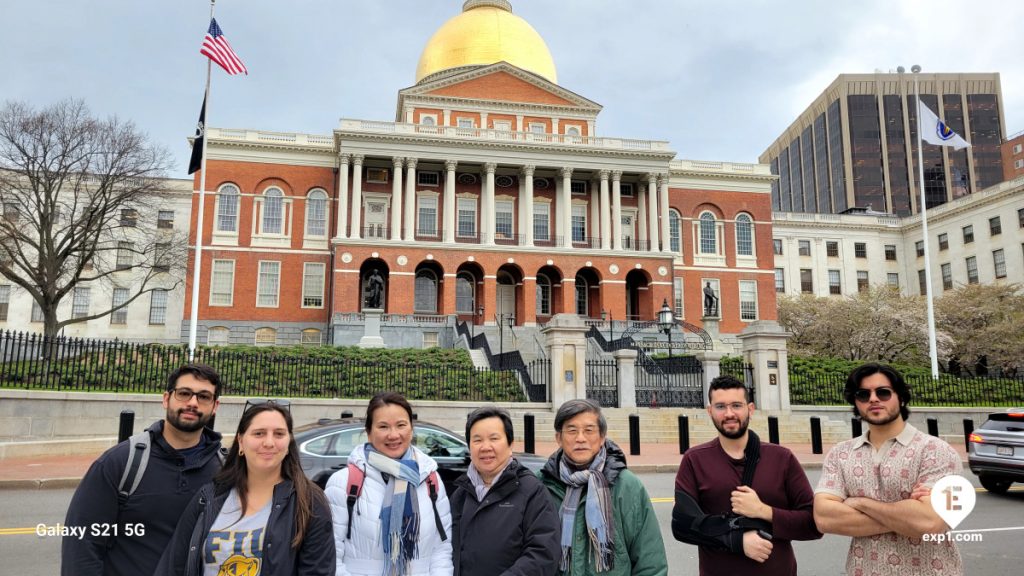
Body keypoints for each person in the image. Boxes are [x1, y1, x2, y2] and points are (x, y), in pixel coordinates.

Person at [61, 364, 224, 576]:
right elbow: (81, 543)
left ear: (215, 406)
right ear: (166, 399)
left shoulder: (225, 470)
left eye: (203, 396)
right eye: (184, 393)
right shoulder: (120, 462)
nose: (192, 403)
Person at [814, 363, 964, 575]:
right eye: (863, 394)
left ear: (901, 397)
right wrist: (906, 516)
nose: (873, 399)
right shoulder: (841, 454)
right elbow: (824, 518)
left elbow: (930, 522)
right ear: (855, 402)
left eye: (883, 392)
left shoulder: (935, 451)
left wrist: (859, 502)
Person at [155, 399, 335, 575]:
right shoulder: (209, 496)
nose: (269, 442)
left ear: (289, 443)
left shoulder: (309, 502)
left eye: (279, 434)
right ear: (241, 441)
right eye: (259, 433)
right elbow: (175, 564)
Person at [672, 375, 820, 575]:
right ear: (709, 411)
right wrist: (736, 540)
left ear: (750, 409)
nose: (729, 413)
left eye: (736, 405)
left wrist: (764, 511)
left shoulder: (781, 458)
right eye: (720, 406)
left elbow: (813, 523)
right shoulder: (695, 460)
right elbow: (683, 525)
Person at [325, 392, 453, 575]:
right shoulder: (344, 482)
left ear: (411, 429)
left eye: (401, 425)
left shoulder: (430, 479)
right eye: (383, 426)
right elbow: (331, 554)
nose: (393, 435)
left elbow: (442, 547)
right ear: (369, 433)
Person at [539, 399, 668, 576]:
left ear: (602, 437)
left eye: (589, 430)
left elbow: (650, 562)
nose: (580, 438)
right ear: (558, 438)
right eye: (572, 430)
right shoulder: (542, 485)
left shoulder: (626, 486)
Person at [449, 406, 560, 576]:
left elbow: (543, 554)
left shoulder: (532, 492)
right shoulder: (461, 494)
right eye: (477, 440)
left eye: (494, 438)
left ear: (510, 444)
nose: (485, 447)